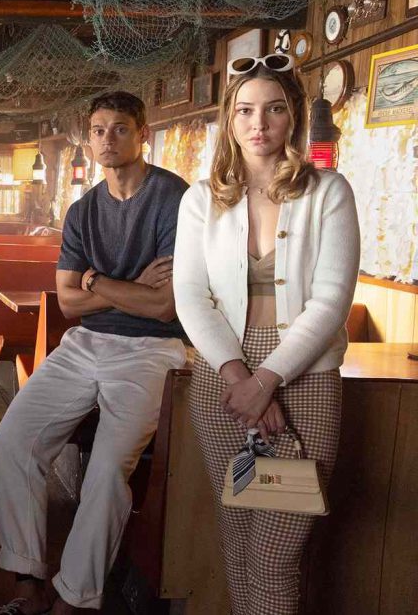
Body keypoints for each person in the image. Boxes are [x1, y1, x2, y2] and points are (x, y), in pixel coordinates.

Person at [173, 54, 359, 614]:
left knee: (275, 553)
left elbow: (331, 300)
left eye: (274, 109)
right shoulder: (201, 199)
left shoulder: (329, 191)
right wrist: (240, 377)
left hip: (306, 374)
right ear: (230, 120)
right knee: (237, 535)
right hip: (221, 374)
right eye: (246, 110)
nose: (260, 124)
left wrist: (267, 380)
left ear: (293, 115)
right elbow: (191, 295)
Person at [0, 91, 189, 615]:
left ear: (143, 134)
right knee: (12, 440)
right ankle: (27, 585)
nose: (107, 139)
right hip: (84, 343)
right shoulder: (82, 211)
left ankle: (74, 599)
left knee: (106, 471)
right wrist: (129, 287)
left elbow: (164, 306)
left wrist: (96, 280)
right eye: (99, 130)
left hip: (153, 350)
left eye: (120, 128)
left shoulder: (174, 198)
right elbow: (69, 303)